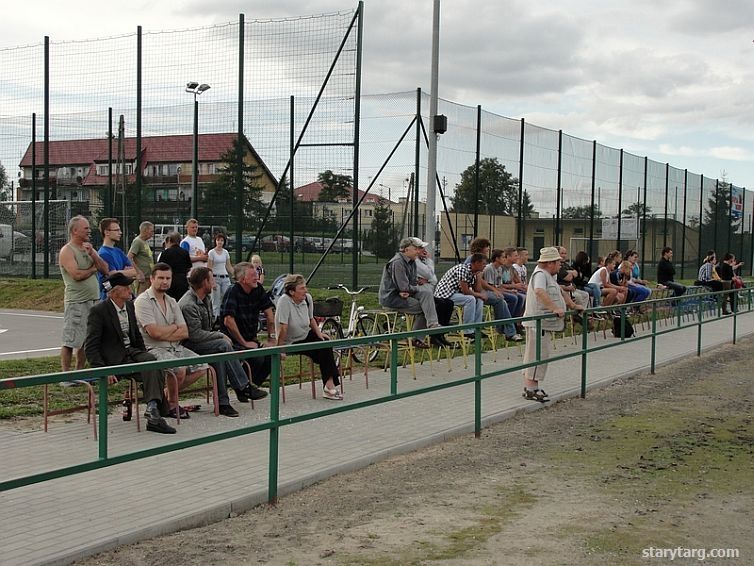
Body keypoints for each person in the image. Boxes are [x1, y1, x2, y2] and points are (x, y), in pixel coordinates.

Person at [84, 272, 175, 434]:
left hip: (132, 352)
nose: (130, 289)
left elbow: (137, 335)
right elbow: (91, 345)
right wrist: (103, 369)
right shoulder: (99, 311)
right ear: (115, 291)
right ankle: (155, 413)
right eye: (126, 287)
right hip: (114, 358)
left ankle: (152, 409)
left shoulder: (130, 306)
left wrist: (141, 351)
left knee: (154, 364)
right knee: (153, 369)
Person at [178, 267, 266, 416]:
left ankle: (223, 404)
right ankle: (243, 386)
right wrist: (218, 335)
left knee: (219, 356)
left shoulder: (205, 298)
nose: (215, 283)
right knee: (222, 344)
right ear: (205, 282)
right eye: (212, 279)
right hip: (189, 345)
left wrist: (216, 335)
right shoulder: (188, 304)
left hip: (204, 343)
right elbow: (195, 335)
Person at [134, 262, 207, 419]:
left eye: (168, 278)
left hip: (175, 347)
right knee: (179, 369)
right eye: (161, 278)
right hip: (153, 348)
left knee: (202, 366)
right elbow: (153, 333)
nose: (165, 281)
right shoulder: (143, 301)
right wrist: (173, 328)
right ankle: (173, 404)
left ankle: (165, 396)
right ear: (152, 279)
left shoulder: (172, 301)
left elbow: (185, 331)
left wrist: (166, 332)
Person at [521, 247, 584, 402]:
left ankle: (532, 386)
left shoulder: (548, 275)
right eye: (558, 262)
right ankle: (531, 388)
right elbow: (540, 292)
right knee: (536, 354)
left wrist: (572, 305)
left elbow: (561, 292)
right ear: (549, 263)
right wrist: (554, 308)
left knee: (540, 354)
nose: (560, 266)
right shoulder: (540, 275)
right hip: (538, 322)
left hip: (543, 323)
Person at [275, 274, 343, 400]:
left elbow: (311, 319)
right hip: (290, 341)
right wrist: (280, 348)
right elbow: (283, 328)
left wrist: (319, 333)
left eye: (305, 287)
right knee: (324, 354)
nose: (305, 291)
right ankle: (329, 387)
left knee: (325, 343)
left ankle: (329, 386)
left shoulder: (307, 299)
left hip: (305, 335)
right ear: (291, 291)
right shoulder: (284, 301)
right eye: (301, 288)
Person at [58, 215, 110, 373]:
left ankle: (79, 372)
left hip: (94, 301)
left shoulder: (89, 248)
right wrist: (93, 269)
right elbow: (76, 275)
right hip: (77, 302)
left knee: (86, 340)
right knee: (71, 339)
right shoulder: (67, 251)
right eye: (85, 228)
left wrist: (93, 255)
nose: (89, 231)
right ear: (75, 231)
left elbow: (106, 269)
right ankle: (66, 376)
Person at [378, 237, 450, 348]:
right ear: (406, 250)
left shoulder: (412, 262)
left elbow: (410, 284)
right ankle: (416, 338)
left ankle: (433, 325)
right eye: (415, 249)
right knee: (424, 307)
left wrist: (410, 289)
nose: (418, 251)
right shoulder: (398, 262)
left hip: (402, 295)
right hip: (392, 298)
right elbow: (404, 286)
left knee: (426, 293)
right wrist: (409, 289)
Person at [220, 262, 275, 388]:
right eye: (253, 275)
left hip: (251, 339)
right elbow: (228, 321)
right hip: (232, 341)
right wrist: (244, 343)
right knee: (257, 358)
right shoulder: (233, 291)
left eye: (257, 274)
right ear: (242, 279)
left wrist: (271, 339)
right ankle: (243, 387)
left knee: (271, 356)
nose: (257, 277)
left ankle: (251, 387)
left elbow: (270, 315)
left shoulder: (258, 289)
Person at [434, 253, 488, 341]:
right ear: (476, 263)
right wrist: (480, 294)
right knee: (470, 299)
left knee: (479, 300)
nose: (485, 266)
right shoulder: (463, 269)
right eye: (483, 264)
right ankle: (467, 330)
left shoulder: (473, 272)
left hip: (456, 294)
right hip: (445, 294)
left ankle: (477, 328)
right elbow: (465, 291)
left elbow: (477, 290)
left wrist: (478, 276)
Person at [481, 249, 523, 341]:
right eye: (503, 257)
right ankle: (509, 330)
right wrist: (506, 291)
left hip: (495, 291)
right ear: (497, 258)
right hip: (485, 292)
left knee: (516, 297)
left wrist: (510, 291)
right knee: (505, 299)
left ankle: (507, 326)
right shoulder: (489, 268)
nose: (505, 259)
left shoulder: (499, 269)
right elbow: (489, 287)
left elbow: (498, 286)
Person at [97, 218, 139, 300]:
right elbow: (112, 275)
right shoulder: (103, 253)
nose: (120, 233)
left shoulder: (118, 251)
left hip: (122, 295)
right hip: (109, 296)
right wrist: (123, 272)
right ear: (107, 232)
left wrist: (118, 272)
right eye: (116, 230)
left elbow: (134, 272)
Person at [158, 231, 192, 301]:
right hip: (182, 281)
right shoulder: (185, 253)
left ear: (169, 240)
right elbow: (188, 267)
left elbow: (160, 267)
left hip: (169, 281)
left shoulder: (165, 253)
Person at [207, 233, 233, 319]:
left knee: (228, 298)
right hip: (215, 278)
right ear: (215, 241)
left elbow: (228, 266)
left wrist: (235, 275)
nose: (220, 242)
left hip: (225, 278)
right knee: (216, 301)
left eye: (222, 240)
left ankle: (227, 316)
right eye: (218, 240)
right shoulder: (212, 252)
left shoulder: (225, 252)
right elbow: (209, 268)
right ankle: (216, 319)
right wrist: (212, 281)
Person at [127, 221, 155, 295]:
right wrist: (139, 272)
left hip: (148, 277)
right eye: (151, 231)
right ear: (145, 230)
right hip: (143, 278)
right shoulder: (137, 242)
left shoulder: (144, 242)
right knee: (141, 298)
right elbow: (129, 258)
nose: (152, 233)